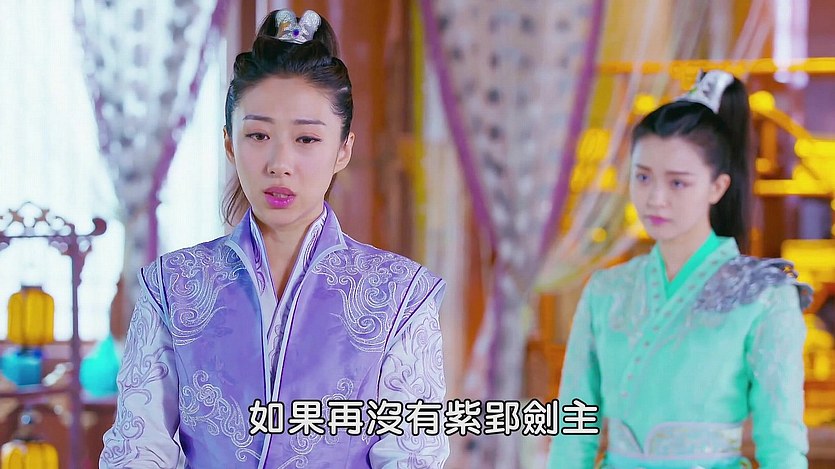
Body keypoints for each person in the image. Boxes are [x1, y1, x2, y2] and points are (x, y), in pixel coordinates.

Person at [100, 9, 449, 468]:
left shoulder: (399, 297)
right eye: (259, 135)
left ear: (343, 149)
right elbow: (138, 449)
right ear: (230, 143)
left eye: (306, 139)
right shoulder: (172, 287)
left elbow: (412, 456)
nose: (279, 163)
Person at [548, 70, 812, 469]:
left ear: (717, 187)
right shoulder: (607, 289)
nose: (655, 198)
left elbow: (782, 443)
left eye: (677, 183)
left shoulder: (765, 295)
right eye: (643, 177)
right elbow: (574, 426)